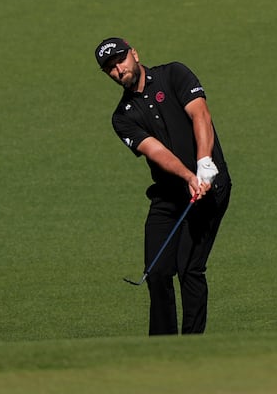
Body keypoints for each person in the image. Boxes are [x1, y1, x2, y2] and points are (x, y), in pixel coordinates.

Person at [98, 37, 232, 337]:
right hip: (170, 194)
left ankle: (191, 343)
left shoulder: (174, 74)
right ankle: (162, 346)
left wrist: (204, 164)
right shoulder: (122, 117)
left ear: (134, 53)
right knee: (157, 272)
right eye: (110, 68)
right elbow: (156, 151)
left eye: (120, 60)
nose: (118, 69)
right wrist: (188, 177)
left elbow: (201, 115)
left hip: (211, 187)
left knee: (189, 267)